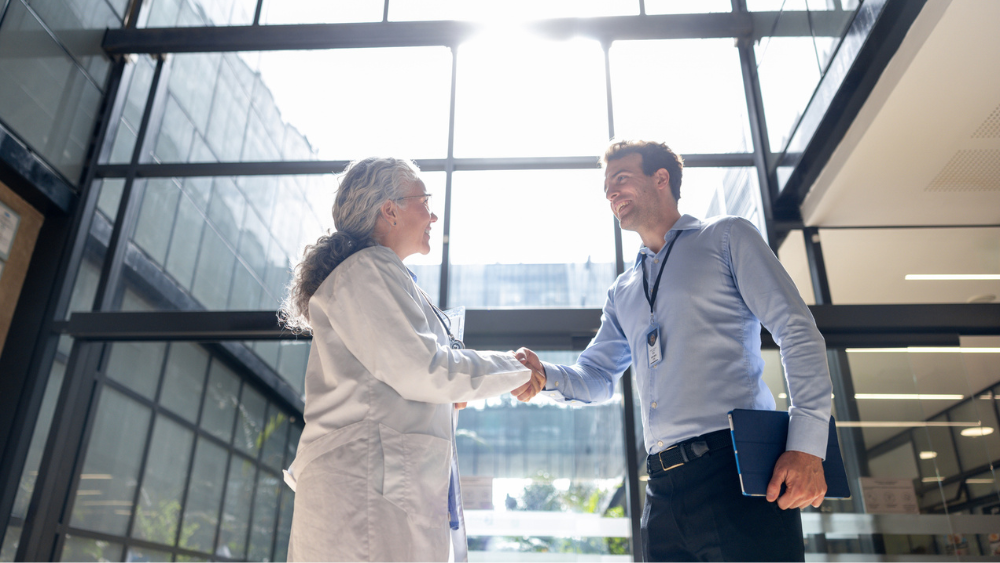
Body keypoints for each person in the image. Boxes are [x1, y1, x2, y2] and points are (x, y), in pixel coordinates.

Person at [514, 140, 833, 561]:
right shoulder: (623, 290)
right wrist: (546, 375)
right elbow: (596, 376)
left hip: (733, 467)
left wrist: (808, 443)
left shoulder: (726, 236)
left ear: (661, 178)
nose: (610, 193)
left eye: (621, 179)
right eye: (606, 187)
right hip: (662, 487)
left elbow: (796, 330)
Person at [279, 157, 534, 562]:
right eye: (425, 200)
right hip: (361, 492)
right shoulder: (367, 269)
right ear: (389, 210)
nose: (433, 214)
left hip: (371, 490)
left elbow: (404, 376)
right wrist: (518, 368)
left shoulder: (378, 274)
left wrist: (445, 396)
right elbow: (425, 369)